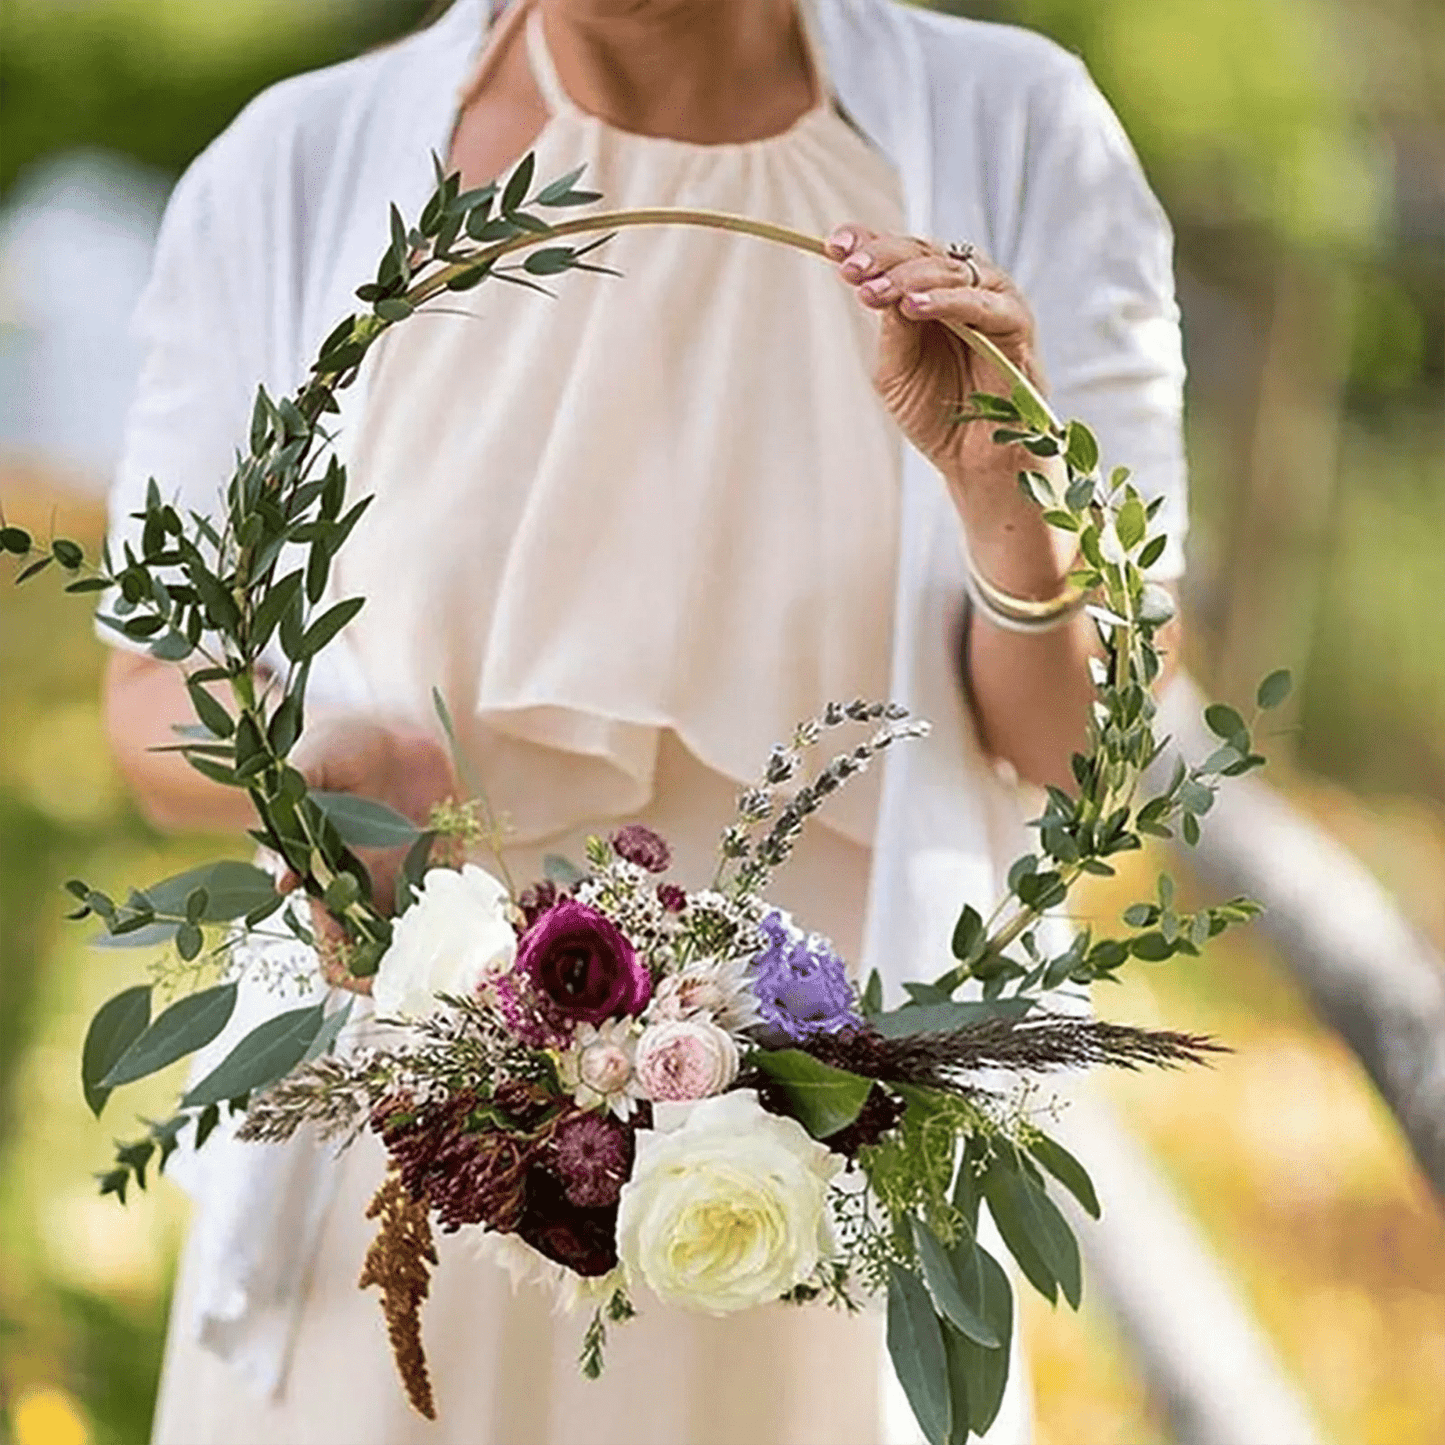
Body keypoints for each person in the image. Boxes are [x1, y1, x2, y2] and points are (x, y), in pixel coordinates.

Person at [100, 1, 1187, 1441]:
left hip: (819, 1177)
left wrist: (1005, 495)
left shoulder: (1021, 136)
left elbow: (1088, 752)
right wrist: (316, 772)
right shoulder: (293, 168)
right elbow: (150, 692)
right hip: (412, 1170)